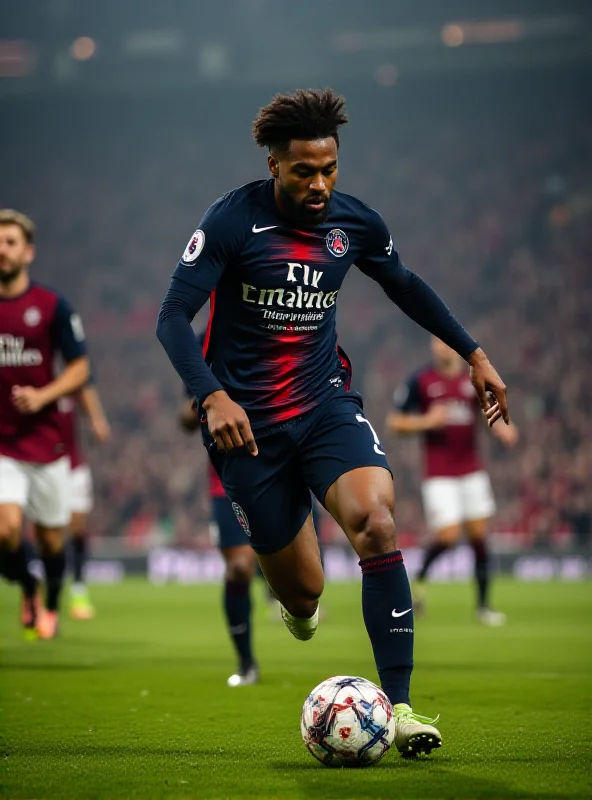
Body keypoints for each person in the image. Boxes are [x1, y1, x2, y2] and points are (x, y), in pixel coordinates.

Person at [156, 89, 510, 758]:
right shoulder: (232, 220)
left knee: (377, 522)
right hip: (246, 431)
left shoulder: (355, 223)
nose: (319, 185)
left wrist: (474, 353)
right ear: (274, 164)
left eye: (329, 169)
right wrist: (210, 396)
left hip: (324, 406)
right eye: (303, 172)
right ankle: (299, 597)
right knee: (305, 594)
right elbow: (172, 317)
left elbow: (404, 283)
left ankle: (400, 706)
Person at [0, 209, 90, 639]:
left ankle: (50, 597)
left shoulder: (51, 306)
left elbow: (79, 368)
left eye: (11, 242)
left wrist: (43, 395)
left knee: (53, 541)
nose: (2, 249)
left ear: (28, 252)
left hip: (47, 444)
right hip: (3, 445)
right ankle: (28, 585)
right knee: (5, 530)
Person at [387, 337, 518, 625]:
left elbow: (491, 410)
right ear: (432, 345)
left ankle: (483, 606)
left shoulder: (473, 377)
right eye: (437, 341)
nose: (442, 347)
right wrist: (425, 421)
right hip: (438, 473)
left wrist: (502, 429)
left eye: (447, 342)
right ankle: (419, 578)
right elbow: (394, 422)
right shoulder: (420, 381)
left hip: (471, 469)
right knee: (447, 537)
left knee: (479, 538)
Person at [179, 396, 259, 687]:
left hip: (279, 468)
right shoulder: (205, 357)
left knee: (300, 588)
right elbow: (185, 420)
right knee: (239, 566)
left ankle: (279, 587)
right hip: (226, 477)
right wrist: (201, 403)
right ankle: (246, 660)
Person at [58, 381, 111, 620]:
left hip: (73, 466)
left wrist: (96, 421)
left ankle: (78, 590)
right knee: (47, 533)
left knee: (77, 529)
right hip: (38, 464)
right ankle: (44, 594)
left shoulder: (72, 387)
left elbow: (87, 389)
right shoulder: (31, 388)